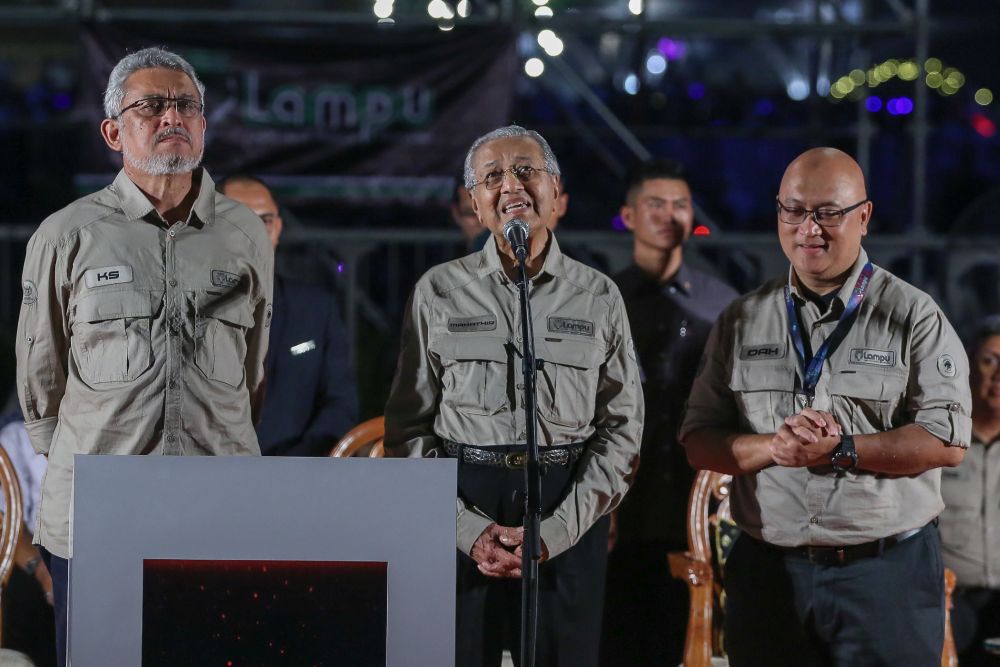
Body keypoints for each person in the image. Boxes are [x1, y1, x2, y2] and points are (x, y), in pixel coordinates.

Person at [15, 47, 273, 666]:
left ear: (204, 124)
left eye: (186, 105)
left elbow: (252, 372)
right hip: (100, 515)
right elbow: (39, 382)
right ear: (113, 131)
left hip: (219, 509)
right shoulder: (65, 235)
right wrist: (95, 460)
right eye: (151, 106)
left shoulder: (244, 234)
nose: (171, 117)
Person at [679, 147, 971, 667]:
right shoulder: (742, 319)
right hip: (769, 575)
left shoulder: (914, 315)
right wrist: (775, 446)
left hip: (885, 577)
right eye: (793, 210)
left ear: (864, 216)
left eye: (828, 212)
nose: (808, 228)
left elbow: (946, 442)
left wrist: (842, 451)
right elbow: (699, 440)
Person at [384, 125, 643, 667]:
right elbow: (408, 432)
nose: (511, 185)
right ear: (474, 203)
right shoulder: (438, 290)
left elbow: (622, 432)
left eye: (526, 170)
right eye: (492, 176)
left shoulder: (598, 296)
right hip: (465, 499)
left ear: (555, 190)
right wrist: (467, 531)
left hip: (566, 505)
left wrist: (557, 531)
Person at [603, 159, 738, 666]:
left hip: (692, 507)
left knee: (690, 645)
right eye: (654, 204)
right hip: (617, 504)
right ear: (628, 215)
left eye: (679, 204)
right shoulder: (603, 299)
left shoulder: (720, 304)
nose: (669, 215)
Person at [220, 175, 358, 456]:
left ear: (278, 228)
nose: (255, 232)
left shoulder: (316, 310)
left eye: (265, 220)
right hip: (208, 475)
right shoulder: (186, 309)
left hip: (299, 479)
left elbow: (341, 405)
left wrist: (296, 468)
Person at [939, 315, 1000, 666]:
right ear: (968, 364)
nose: (999, 374)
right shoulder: (941, 443)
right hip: (950, 600)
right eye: (990, 360)